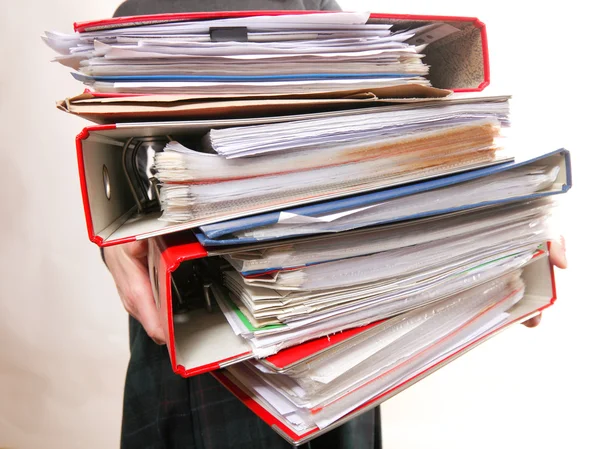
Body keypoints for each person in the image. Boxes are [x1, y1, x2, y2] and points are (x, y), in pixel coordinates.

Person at [103, 2, 569, 447]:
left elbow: (378, 138)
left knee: (327, 398)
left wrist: (506, 218)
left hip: (336, 341)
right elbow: (133, 146)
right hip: (211, 325)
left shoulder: (326, 12)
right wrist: (116, 235)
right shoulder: (155, 19)